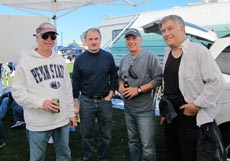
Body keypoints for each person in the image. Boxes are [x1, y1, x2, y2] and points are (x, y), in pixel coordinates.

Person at [159, 15, 225, 161]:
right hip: (171, 117)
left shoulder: (198, 51)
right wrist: (165, 111)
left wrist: (197, 105)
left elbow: (216, 81)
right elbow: (169, 84)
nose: (166, 33)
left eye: (170, 28)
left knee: (190, 154)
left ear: (181, 28)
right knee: (173, 152)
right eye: (163, 31)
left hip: (190, 117)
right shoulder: (166, 53)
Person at [11, 22, 76, 161]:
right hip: (38, 122)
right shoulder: (25, 61)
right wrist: (41, 103)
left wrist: (71, 113)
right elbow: (17, 92)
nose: (49, 40)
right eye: (45, 36)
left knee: (64, 155)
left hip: (62, 120)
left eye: (53, 36)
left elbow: (67, 89)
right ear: (37, 37)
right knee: (37, 158)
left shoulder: (60, 60)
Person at [72, 28, 118, 161]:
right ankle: (88, 156)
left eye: (96, 39)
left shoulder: (108, 57)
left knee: (106, 134)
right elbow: (75, 82)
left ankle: (103, 157)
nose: (93, 42)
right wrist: (76, 102)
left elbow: (114, 76)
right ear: (85, 41)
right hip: (86, 101)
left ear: (100, 40)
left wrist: (111, 93)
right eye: (90, 39)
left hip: (105, 101)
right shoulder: (80, 60)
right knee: (86, 134)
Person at [118, 28, 162, 161]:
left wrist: (138, 90)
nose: (131, 41)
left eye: (134, 38)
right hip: (128, 109)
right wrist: (120, 85)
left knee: (147, 146)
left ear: (140, 40)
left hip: (145, 110)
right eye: (128, 39)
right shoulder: (124, 59)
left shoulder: (150, 56)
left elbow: (158, 79)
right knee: (133, 142)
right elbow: (120, 77)